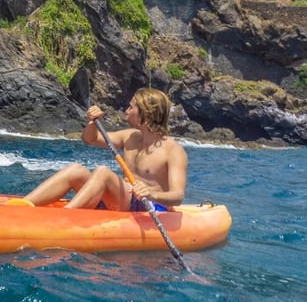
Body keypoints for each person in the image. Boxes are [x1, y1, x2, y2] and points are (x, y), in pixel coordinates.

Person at [24, 87, 188, 211]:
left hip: (149, 206)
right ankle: (23, 205)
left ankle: (64, 216)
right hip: (122, 200)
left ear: (146, 113)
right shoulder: (129, 136)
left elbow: (178, 197)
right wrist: (94, 122)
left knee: (103, 172)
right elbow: (90, 139)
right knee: (76, 170)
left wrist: (151, 194)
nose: (126, 111)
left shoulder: (173, 150)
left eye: (131, 108)